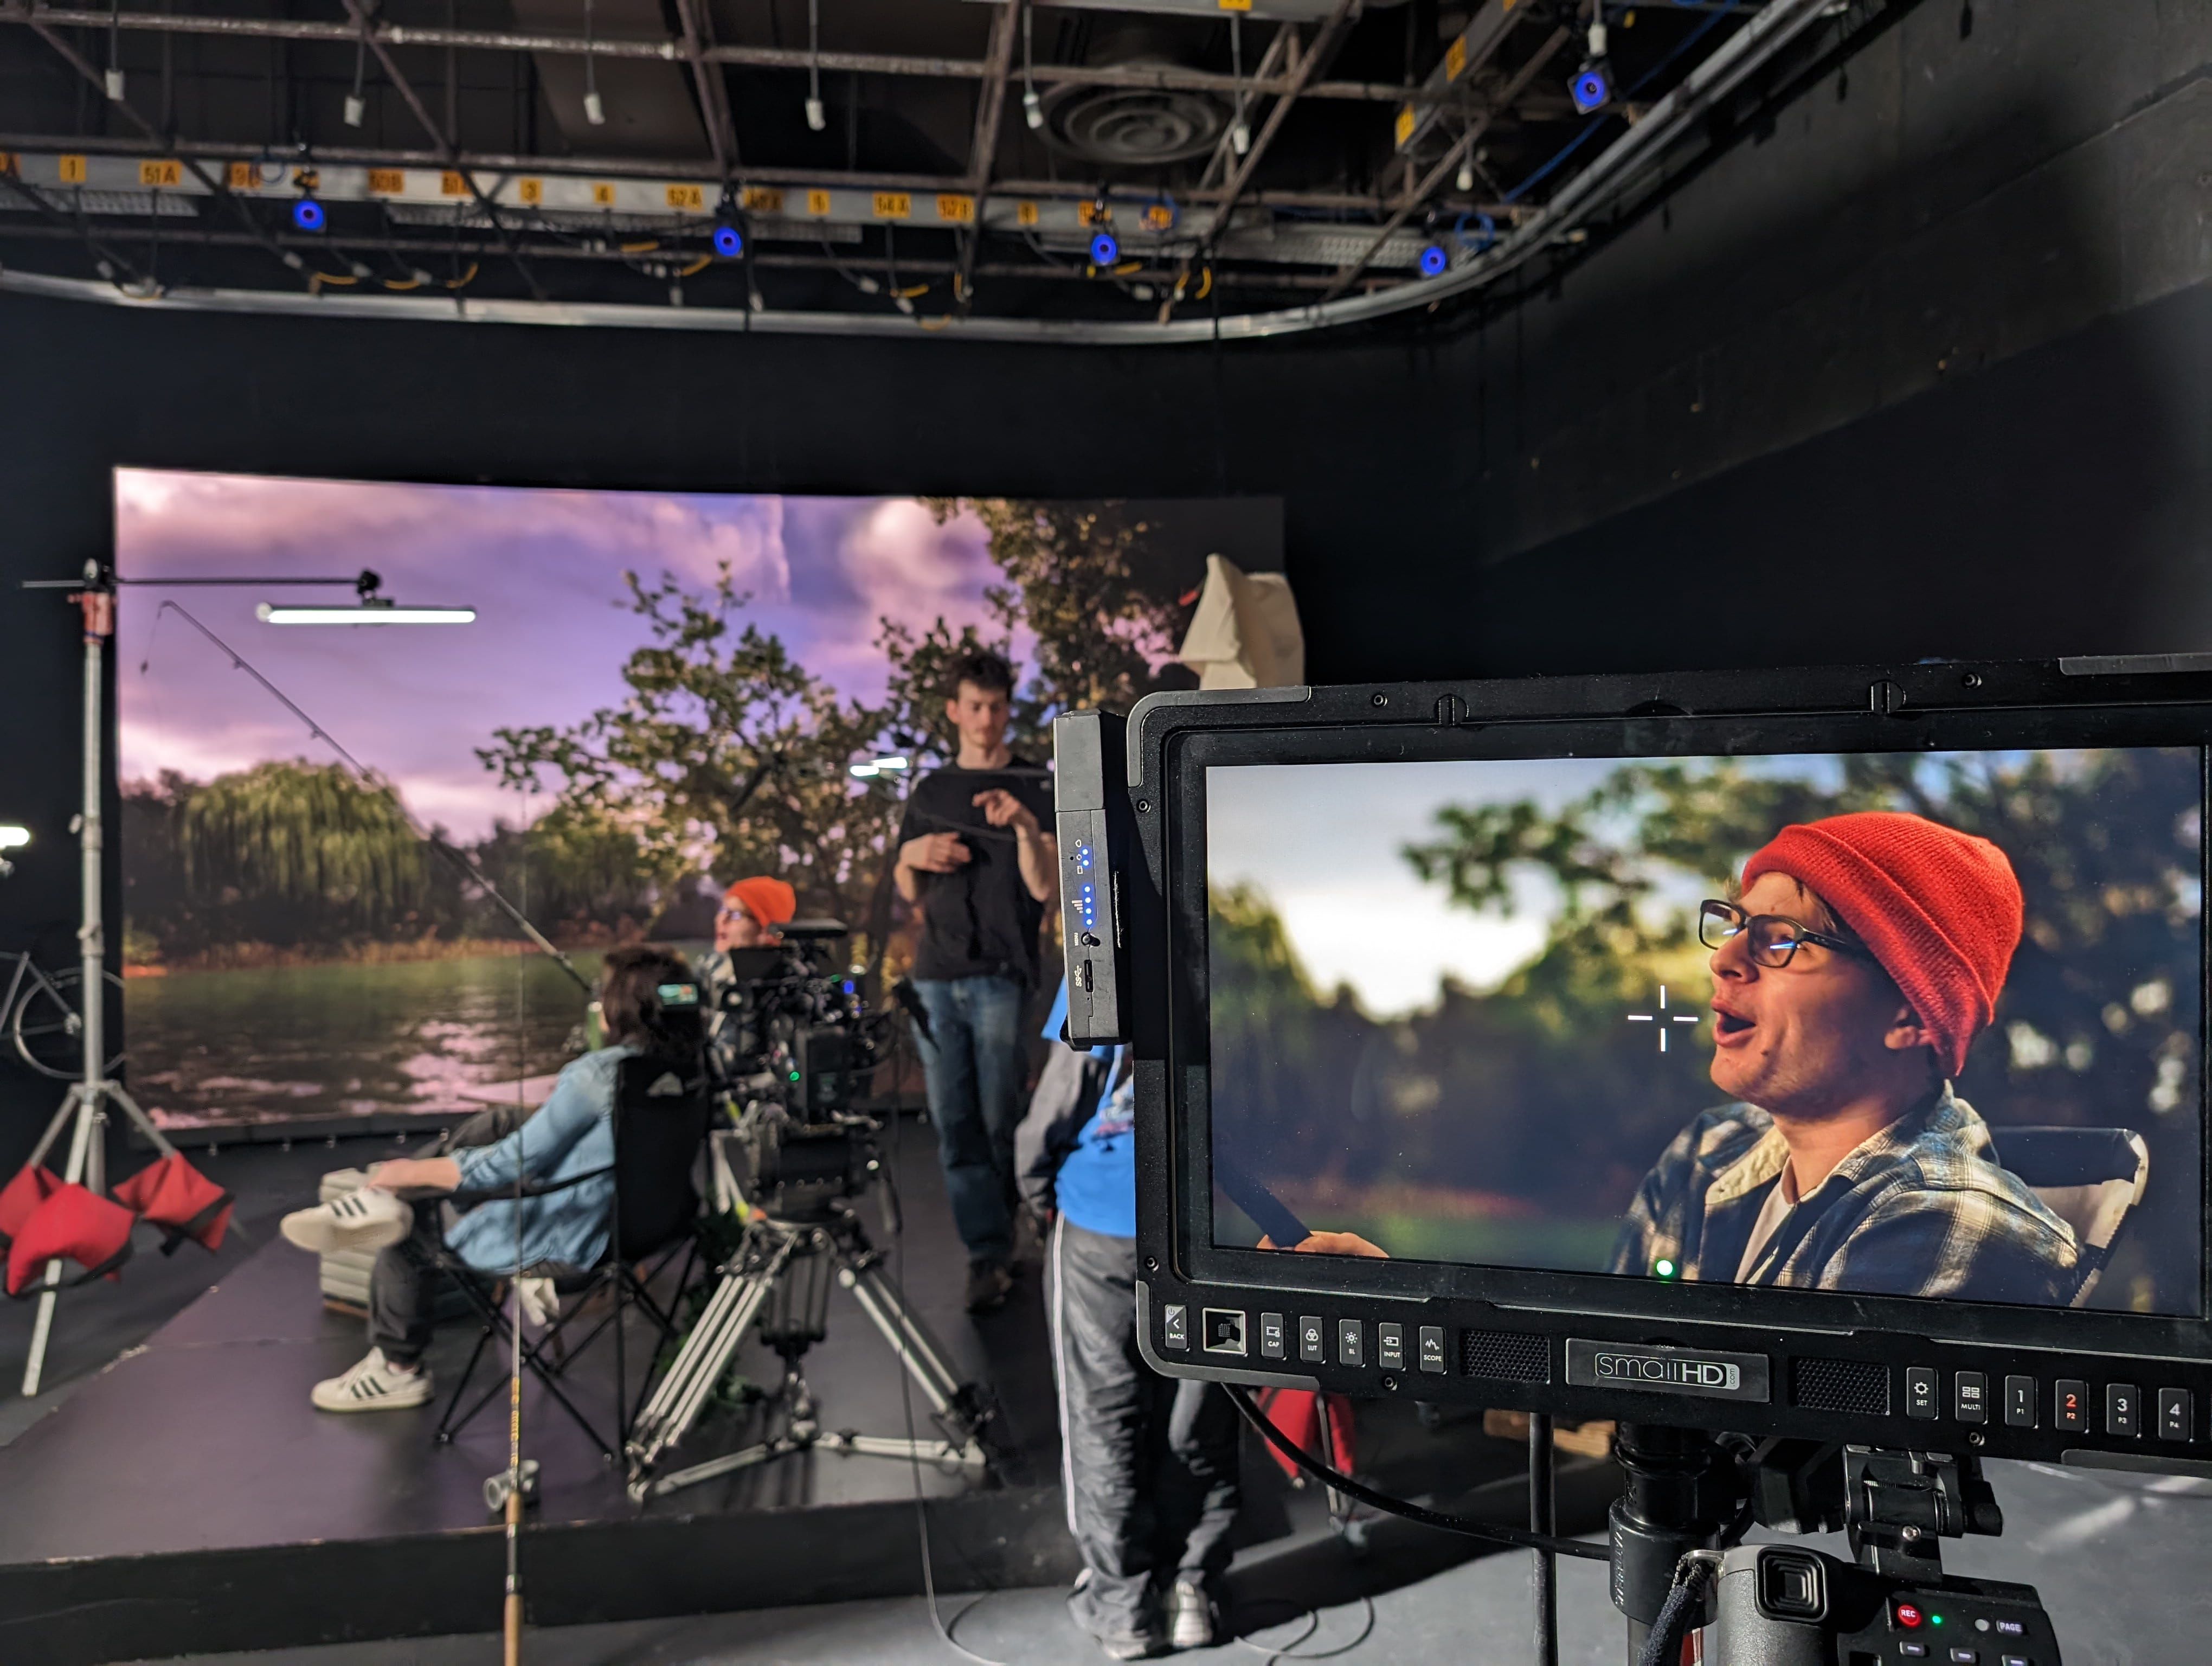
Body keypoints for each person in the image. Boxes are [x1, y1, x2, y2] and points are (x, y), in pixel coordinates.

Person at [1609, 810, 2080, 1304]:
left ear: (1910, 1017)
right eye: (1737, 926)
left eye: (1782, 939)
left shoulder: (1950, 1220)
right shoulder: (1712, 1148)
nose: (1722, 960)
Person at [279, 945, 704, 1412]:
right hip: (653, 1229)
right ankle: (384, 1194)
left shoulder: (597, 1077)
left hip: (575, 1243)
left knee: (411, 1230)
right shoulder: (693, 1069)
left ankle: (397, 1368)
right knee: (502, 1122)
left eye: (603, 993)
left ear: (620, 1008)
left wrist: (407, 1172)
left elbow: (511, 1166)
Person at [1019, 983, 1239, 1659]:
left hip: (1103, 1225)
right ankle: (1191, 1591)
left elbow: (1062, 1099)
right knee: (1199, 1413)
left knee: (1102, 1415)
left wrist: (1033, 1188)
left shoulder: (1105, 952)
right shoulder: (1243, 951)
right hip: (1215, 1226)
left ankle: (1123, 1609)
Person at [895, 649, 1058, 1312]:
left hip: (1001, 977)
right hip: (935, 977)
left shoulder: (1036, 783)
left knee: (1001, 1120)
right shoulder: (931, 792)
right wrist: (913, 853)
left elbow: (1045, 889)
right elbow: (909, 889)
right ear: (954, 711)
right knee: (955, 1125)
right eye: (975, 706)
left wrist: (1023, 825)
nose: (987, 719)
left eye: (996, 707)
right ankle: (986, 1254)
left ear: (1007, 710)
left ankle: (1023, 1222)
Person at [697, 875, 797, 1083]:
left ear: (765, 929)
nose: (721, 920)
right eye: (722, 910)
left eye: (734, 914)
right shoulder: (708, 968)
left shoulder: (790, 982)